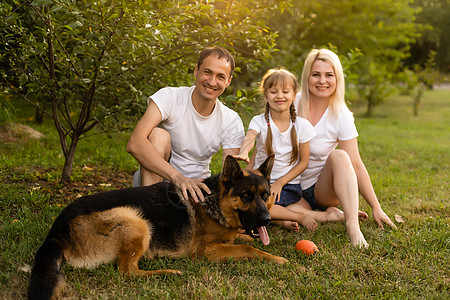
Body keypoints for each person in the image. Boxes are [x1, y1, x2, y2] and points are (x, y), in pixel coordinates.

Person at [292, 48, 397, 247]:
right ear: (307, 77)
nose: (322, 81)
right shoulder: (292, 103)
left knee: (340, 156)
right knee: (270, 209)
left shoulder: (341, 114)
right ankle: (330, 215)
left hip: (321, 190)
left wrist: (376, 206)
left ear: (337, 78)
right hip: (291, 187)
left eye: (328, 75)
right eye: (316, 74)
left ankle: (352, 226)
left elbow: (355, 164)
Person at [127, 46, 244, 203]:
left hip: (197, 190)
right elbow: (135, 143)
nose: (212, 81)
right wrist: (178, 178)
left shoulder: (231, 120)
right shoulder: (170, 97)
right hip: (156, 184)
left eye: (220, 77)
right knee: (158, 135)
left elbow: (229, 176)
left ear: (228, 81)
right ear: (196, 71)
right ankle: (151, 208)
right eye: (207, 72)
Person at [234, 68, 319, 232]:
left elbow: (304, 162)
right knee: (243, 204)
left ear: (294, 95)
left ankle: (297, 217)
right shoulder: (258, 121)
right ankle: (281, 221)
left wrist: (280, 183)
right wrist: (244, 152)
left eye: (285, 91)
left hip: (287, 185)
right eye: (273, 91)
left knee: (258, 206)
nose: (279, 96)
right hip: (261, 183)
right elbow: (251, 137)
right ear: (266, 96)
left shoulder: (302, 126)